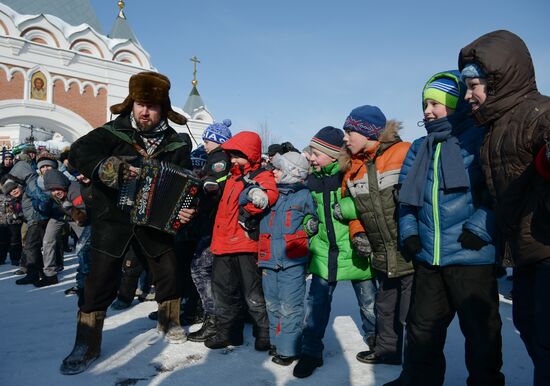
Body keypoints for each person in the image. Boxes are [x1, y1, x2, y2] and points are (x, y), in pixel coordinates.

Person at [60, 71, 195, 375]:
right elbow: (79, 153)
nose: (144, 111)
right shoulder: (111, 133)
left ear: (164, 107)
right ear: (131, 103)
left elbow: (187, 184)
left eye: (152, 106)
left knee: (169, 272)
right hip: (114, 221)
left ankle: (169, 320)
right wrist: (108, 167)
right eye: (139, 104)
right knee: (99, 281)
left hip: (154, 224)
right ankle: (86, 342)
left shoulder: (176, 143)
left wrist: (187, 209)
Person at [384, 71, 504, 386]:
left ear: (455, 103)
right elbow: (406, 200)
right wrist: (409, 232)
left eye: (436, 103)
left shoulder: (479, 138)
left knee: (481, 331)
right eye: (425, 103)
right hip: (429, 257)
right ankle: (417, 380)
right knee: (421, 327)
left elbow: (496, 192)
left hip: (471, 256)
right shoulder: (420, 147)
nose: (428, 110)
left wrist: (480, 230)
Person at [459, 30, 550, 386]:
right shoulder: (494, 128)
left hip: (546, 247)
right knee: (529, 329)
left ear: (498, 81)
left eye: (474, 85)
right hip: (523, 252)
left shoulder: (538, 112)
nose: (468, 96)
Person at [293, 126, 377, 379]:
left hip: (353, 250)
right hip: (323, 252)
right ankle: (311, 351)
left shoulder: (348, 173)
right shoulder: (311, 180)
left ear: (332, 155)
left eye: (316, 153)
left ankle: (377, 338)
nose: (311, 157)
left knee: (369, 301)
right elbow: (305, 208)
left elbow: (366, 200)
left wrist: (348, 207)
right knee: (316, 304)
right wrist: (308, 221)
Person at [337, 105, 413, 366]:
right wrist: (359, 232)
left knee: (412, 312)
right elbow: (353, 210)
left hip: (410, 250)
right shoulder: (352, 168)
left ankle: (419, 362)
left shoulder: (403, 153)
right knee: (385, 307)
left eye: (349, 131)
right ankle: (388, 351)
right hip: (381, 253)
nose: (345, 138)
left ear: (367, 131)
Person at [206, 131, 278, 351]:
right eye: (231, 155)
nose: (233, 160)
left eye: (238, 156)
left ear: (251, 154)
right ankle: (229, 332)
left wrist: (254, 199)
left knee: (252, 292)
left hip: (245, 244)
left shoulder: (259, 175)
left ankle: (263, 332)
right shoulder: (231, 177)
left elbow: (269, 196)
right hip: (223, 243)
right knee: (223, 292)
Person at [257, 151, 315, 366]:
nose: (274, 171)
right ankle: (276, 342)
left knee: (290, 306)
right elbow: (245, 198)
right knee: (272, 304)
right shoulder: (269, 194)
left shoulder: (304, 196)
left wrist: (310, 224)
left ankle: (289, 349)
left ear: (292, 173)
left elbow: (315, 217)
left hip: (292, 261)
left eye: (279, 169)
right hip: (268, 258)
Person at [187, 119, 232, 343]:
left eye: (207, 140)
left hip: (213, 225)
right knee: (208, 271)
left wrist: (205, 183)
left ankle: (214, 319)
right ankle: (212, 316)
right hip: (211, 223)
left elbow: (216, 183)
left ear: (218, 141)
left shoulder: (219, 158)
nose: (204, 144)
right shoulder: (214, 157)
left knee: (200, 269)